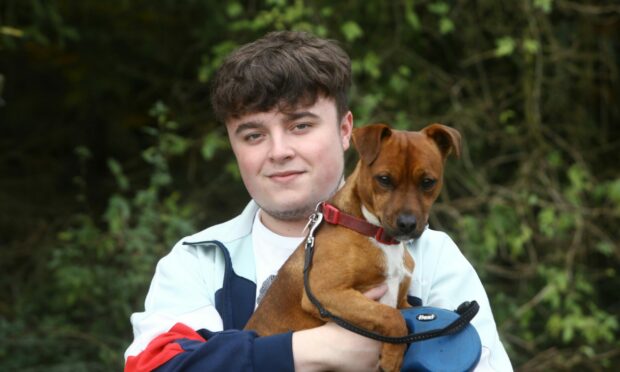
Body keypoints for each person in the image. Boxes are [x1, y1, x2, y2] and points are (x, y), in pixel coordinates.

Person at [124, 30, 513, 372]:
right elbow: (156, 367)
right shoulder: (198, 263)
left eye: (301, 125)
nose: (279, 151)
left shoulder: (433, 257)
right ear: (232, 146)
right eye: (253, 135)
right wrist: (308, 351)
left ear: (347, 131)